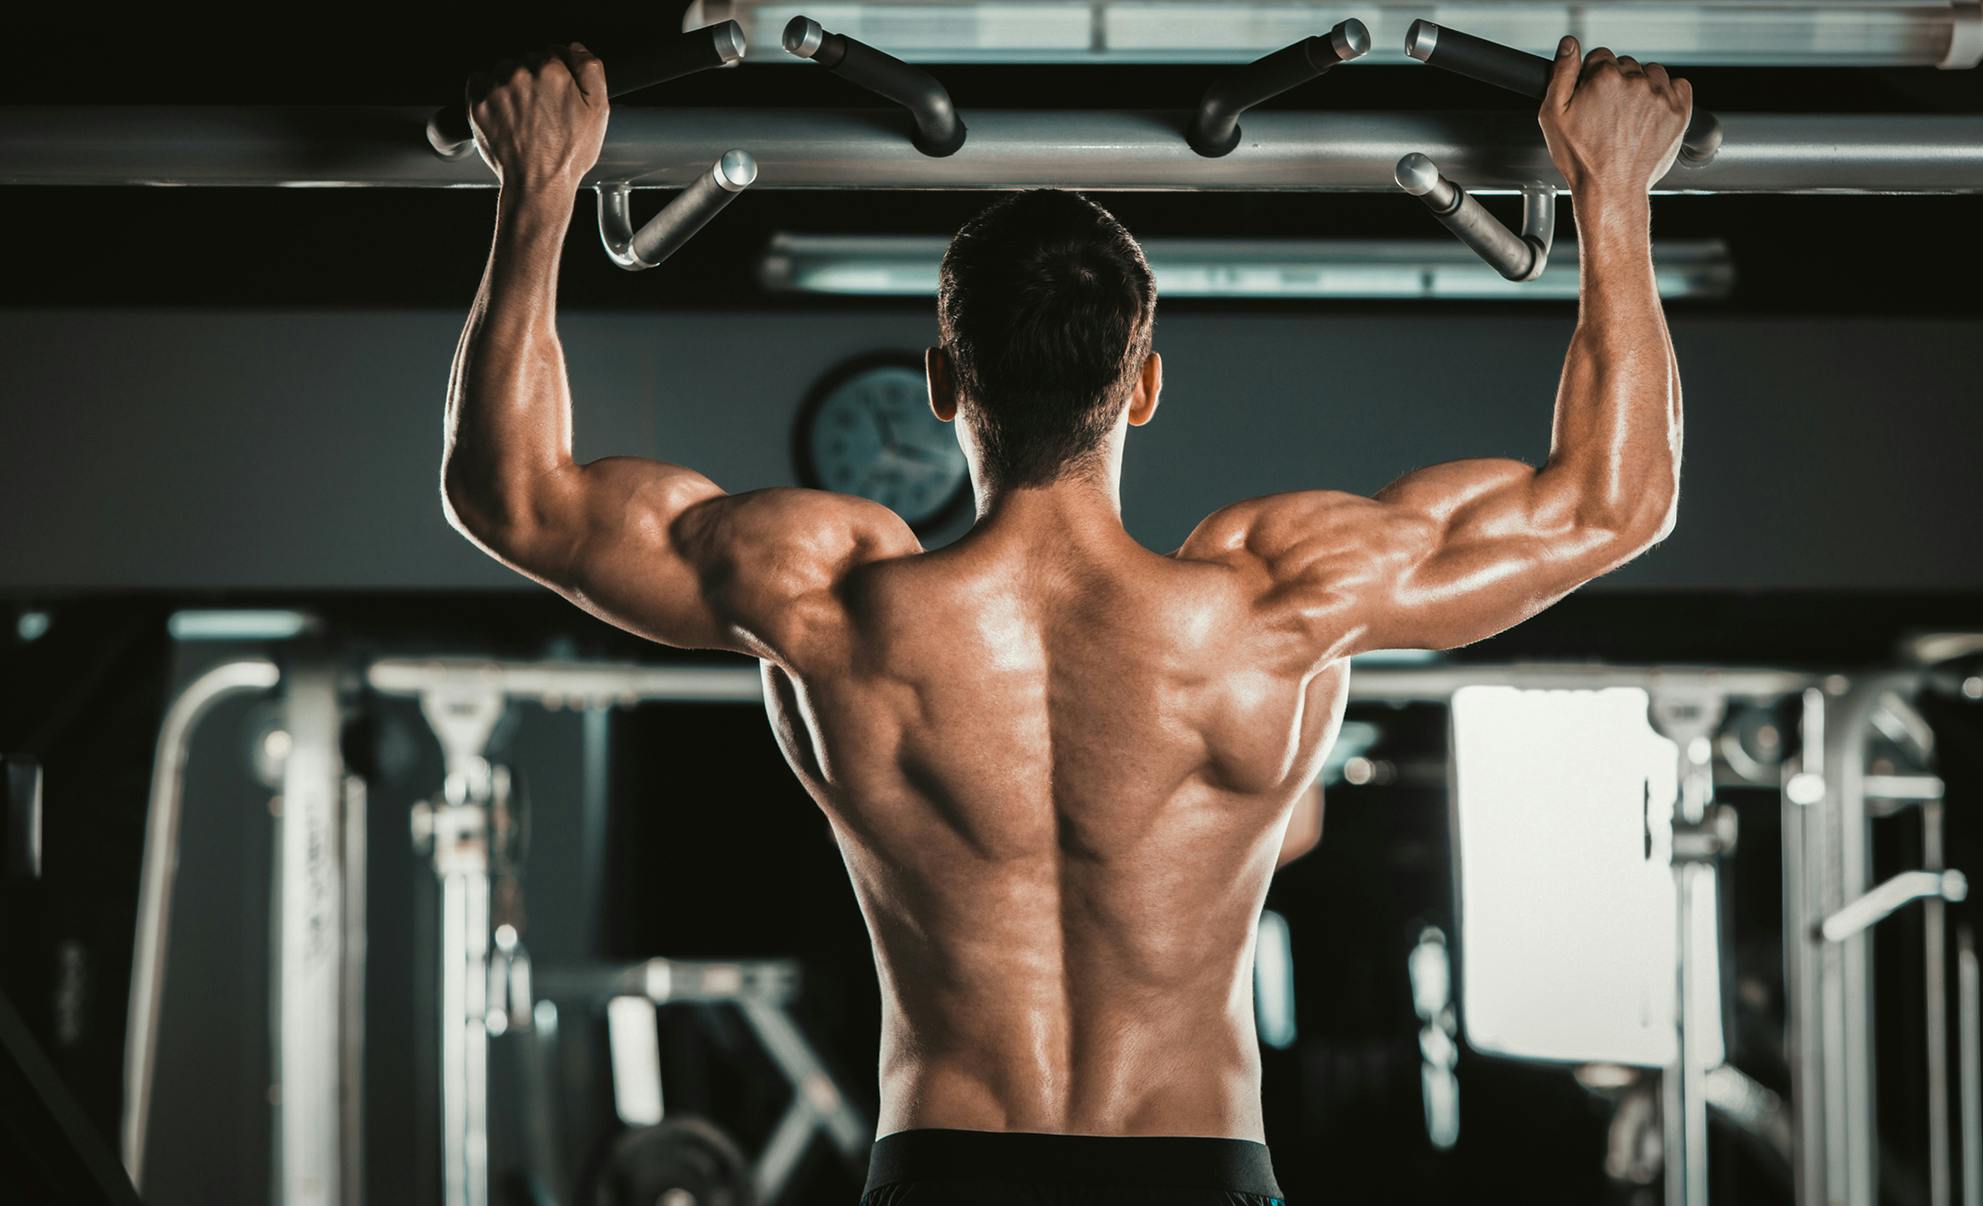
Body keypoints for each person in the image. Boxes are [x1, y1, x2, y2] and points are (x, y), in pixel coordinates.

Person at [441, 34, 1690, 1205]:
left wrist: (539, 189)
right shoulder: (1272, 604)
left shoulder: (832, 599)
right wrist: (1615, 192)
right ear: (1143, 386)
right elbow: (1610, 504)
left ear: (942, 383)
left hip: (946, 1162)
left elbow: (514, 496)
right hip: (1197, 1161)